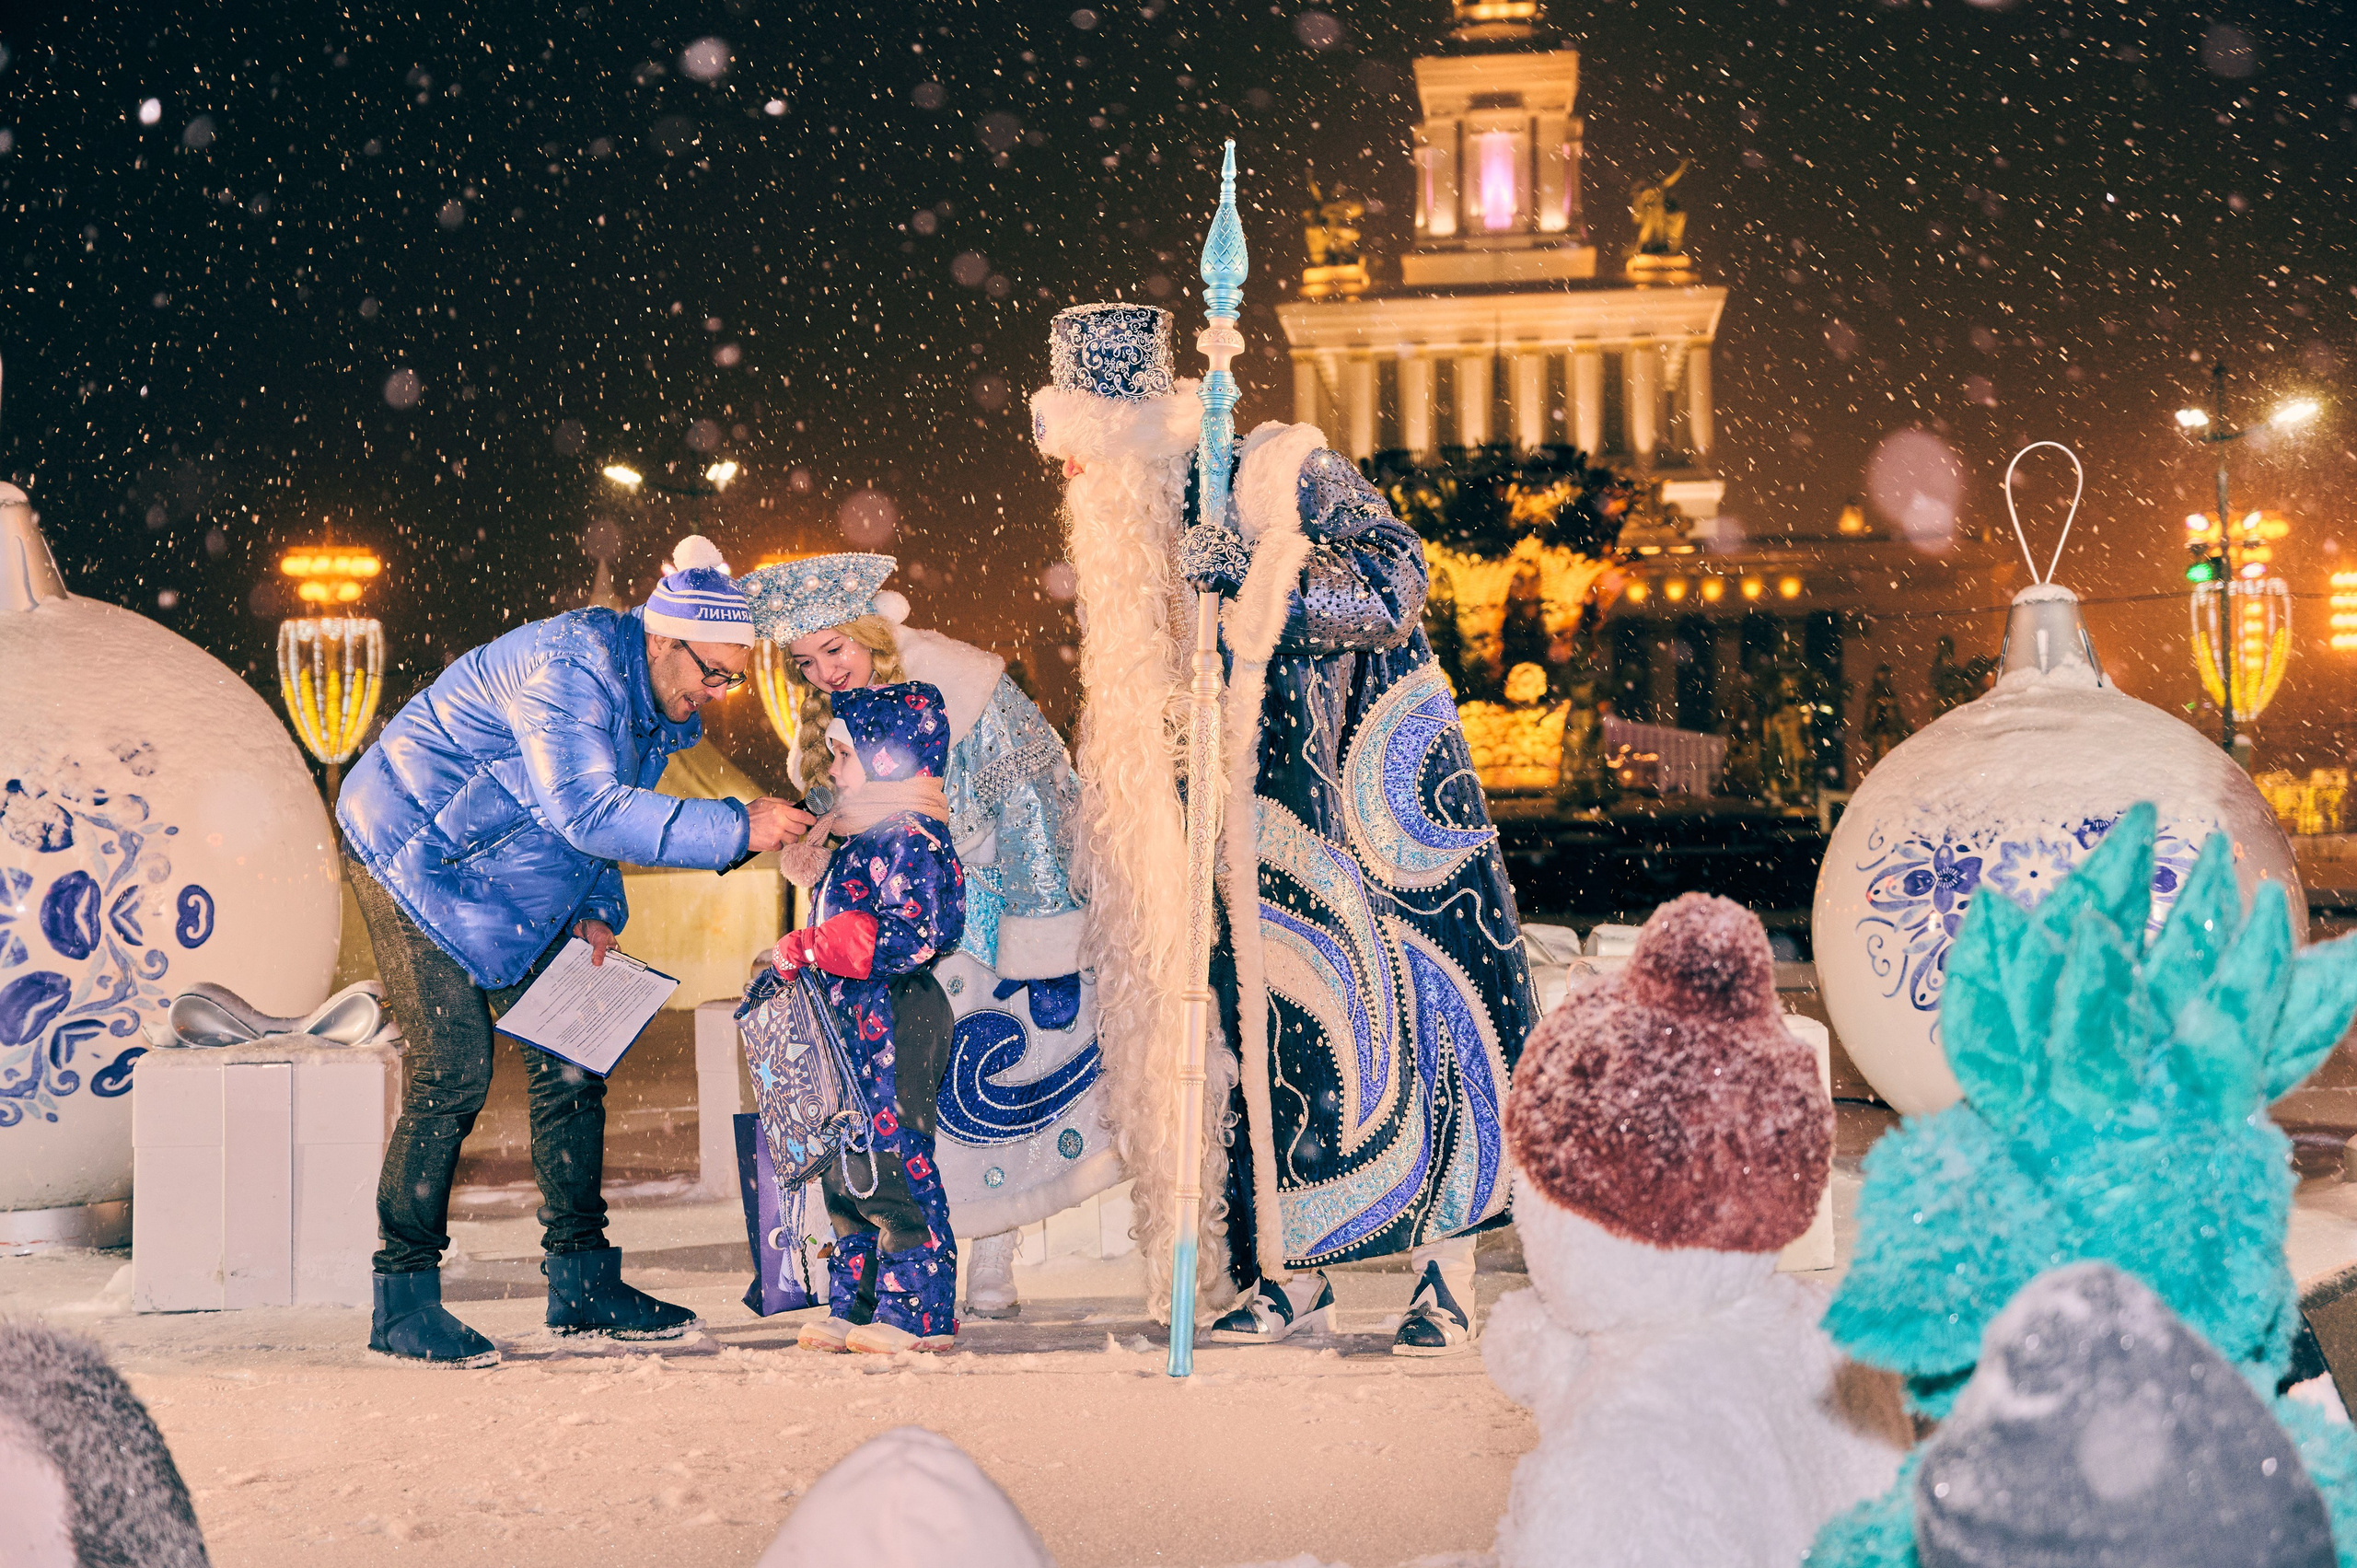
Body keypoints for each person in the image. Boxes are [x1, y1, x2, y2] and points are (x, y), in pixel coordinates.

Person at [1031, 302, 1539, 1356]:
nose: (1079, 491)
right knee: (1266, 1047)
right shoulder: (1130, 578)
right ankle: (1287, 1275)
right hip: (1228, 838)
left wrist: (1261, 578)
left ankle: (1441, 1276)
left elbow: (1398, 580)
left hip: (1358, 810)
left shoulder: (1276, 472)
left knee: (1402, 1024)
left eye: (1088, 465)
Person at [338, 535, 797, 1366]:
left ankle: (582, 1279)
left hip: (504, 868)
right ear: (664, 640)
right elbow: (585, 806)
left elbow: (589, 819)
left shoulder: (653, 699)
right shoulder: (573, 666)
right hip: (411, 851)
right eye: (714, 671)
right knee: (454, 1068)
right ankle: (401, 1299)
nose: (720, 692)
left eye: (732, 676)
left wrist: (594, 905)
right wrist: (738, 824)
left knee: (572, 1055)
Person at [740, 553, 1104, 1318]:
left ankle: (984, 1265)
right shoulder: (830, 727)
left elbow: (1033, 796)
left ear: (872, 632)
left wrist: (1045, 928)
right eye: (806, 661)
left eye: (835, 650)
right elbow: (834, 837)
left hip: (982, 917)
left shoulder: (960, 685)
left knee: (990, 1092)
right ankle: (885, 1280)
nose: (825, 672)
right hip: (873, 936)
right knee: (888, 1115)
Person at [752, 681, 966, 1353]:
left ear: (888, 758)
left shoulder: (912, 835)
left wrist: (822, 943)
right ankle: (861, 1297)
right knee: (845, 1161)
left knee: (892, 1156)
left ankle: (920, 1307)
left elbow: (920, 928)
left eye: (844, 756)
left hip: (897, 1015)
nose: (833, 770)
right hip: (847, 1023)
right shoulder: (855, 835)